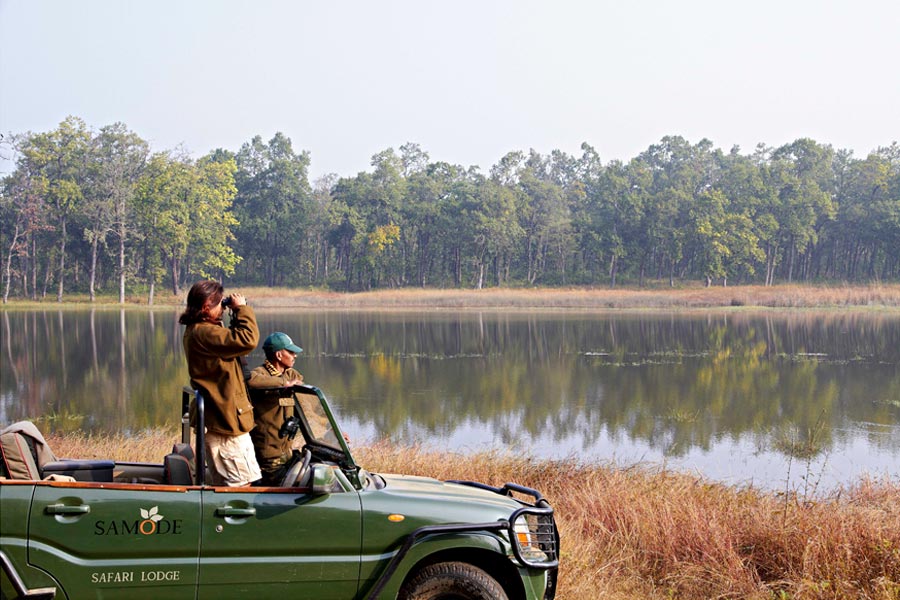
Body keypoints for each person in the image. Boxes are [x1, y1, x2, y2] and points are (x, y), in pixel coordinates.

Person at [179, 280, 261, 486]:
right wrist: (242, 309)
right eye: (219, 305)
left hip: (221, 421)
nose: (222, 309)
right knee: (241, 486)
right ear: (206, 307)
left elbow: (232, 343)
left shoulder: (199, 330)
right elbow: (247, 340)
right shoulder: (203, 332)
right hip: (225, 427)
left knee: (230, 485)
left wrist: (230, 314)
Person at [247, 332, 304, 486]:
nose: (295, 356)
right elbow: (251, 380)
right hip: (268, 455)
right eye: (291, 352)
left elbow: (308, 409)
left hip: (288, 453)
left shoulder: (292, 374)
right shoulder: (259, 374)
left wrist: (330, 433)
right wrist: (283, 384)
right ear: (279, 355)